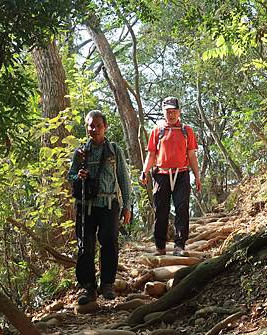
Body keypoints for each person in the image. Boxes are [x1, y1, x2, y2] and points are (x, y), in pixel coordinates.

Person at [68, 110, 131, 305]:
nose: (94, 129)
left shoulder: (114, 150)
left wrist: (127, 205)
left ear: (105, 127)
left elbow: (124, 179)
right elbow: (70, 176)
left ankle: (108, 284)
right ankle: (88, 287)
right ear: (86, 127)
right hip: (85, 205)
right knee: (85, 246)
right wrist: (78, 176)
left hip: (109, 203)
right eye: (90, 126)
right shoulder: (80, 153)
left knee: (109, 241)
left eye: (98, 126)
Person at [139, 97, 201, 257]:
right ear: (163, 112)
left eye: (174, 111)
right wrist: (144, 171)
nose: (171, 114)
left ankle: (180, 246)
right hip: (161, 174)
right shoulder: (157, 131)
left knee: (182, 209)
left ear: (179, 112)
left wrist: (197, 177)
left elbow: (192, 156)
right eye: (168, 111)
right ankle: (160, 246)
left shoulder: (187, 131)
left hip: (181, 174)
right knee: (161, 210)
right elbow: (151, 154)